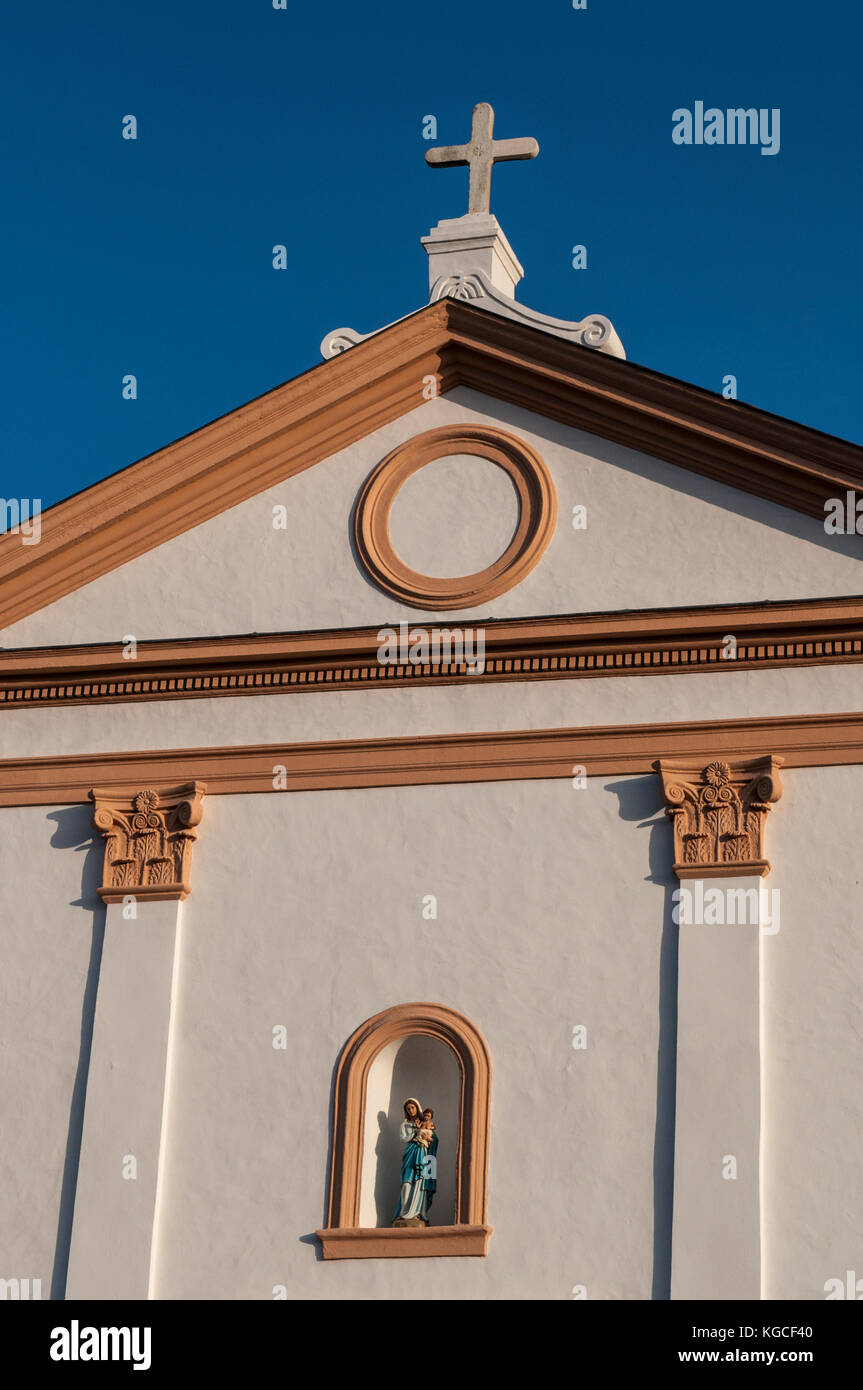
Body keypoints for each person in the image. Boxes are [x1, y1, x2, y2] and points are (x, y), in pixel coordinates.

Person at [392, 1097, 438, 1226]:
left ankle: (418, 1213)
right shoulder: (405, 1125)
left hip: (422, 1153)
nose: (410, 1110)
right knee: (407, 1183)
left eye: (412, 1107)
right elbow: (404, 1137)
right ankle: (404, 1213)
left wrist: (428, 1137)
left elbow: (434, 1139)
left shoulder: (427, 1123)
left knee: (420, 1182)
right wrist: (416, 1133)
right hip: (411, 1152)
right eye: (408, 1109)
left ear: (417, 1108)